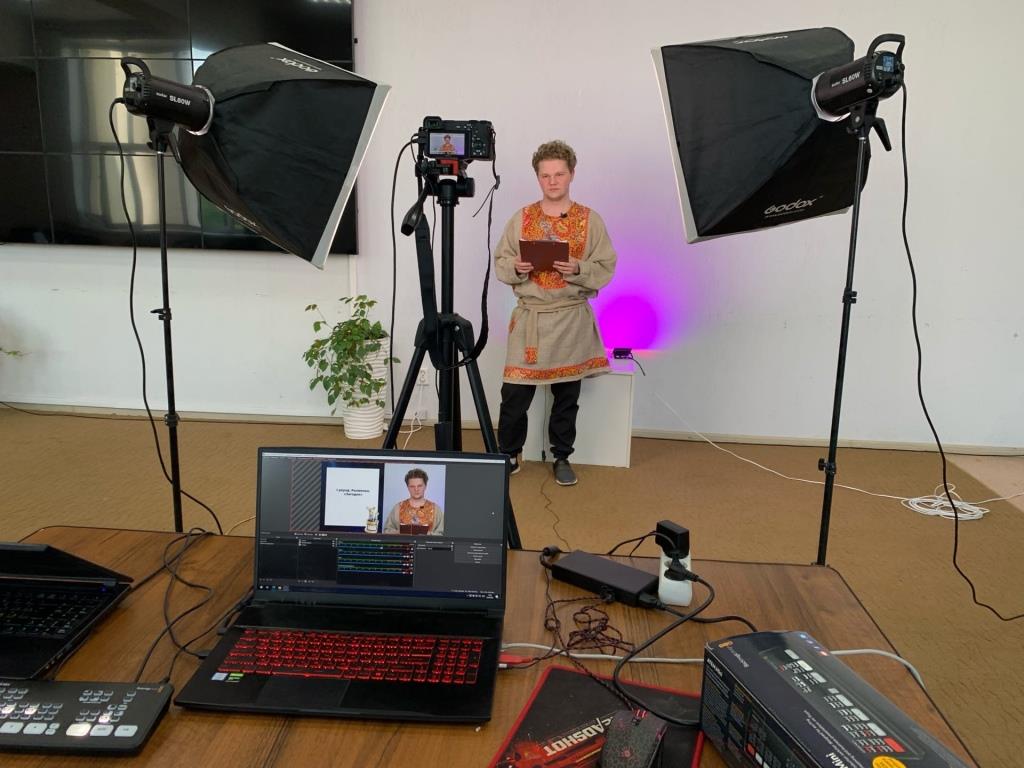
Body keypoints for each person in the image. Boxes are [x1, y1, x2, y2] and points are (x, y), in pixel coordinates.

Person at [494, 140, 616, 487]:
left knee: (567, 396)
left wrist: (577, 268)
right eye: (545, 175)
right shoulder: (521, 218)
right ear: (538, 177)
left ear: (571, 174)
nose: (552, 181)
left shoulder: (590, 220)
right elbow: (501, 261)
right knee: (514, 395)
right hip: (531, 317)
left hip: (569, 317)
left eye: (559, 174)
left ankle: (562, 455)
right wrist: (517, 267)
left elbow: (606, 266)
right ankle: (509, 454)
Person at [383, 468, 444, 534]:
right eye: (412, 486)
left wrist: (427, 534)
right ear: (408, 487)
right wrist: (401, 532)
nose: (416, 489)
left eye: (419, 486)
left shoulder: (435, 509)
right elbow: (387, 531)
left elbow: (442, 534)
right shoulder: (398, 508)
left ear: (425, 486)